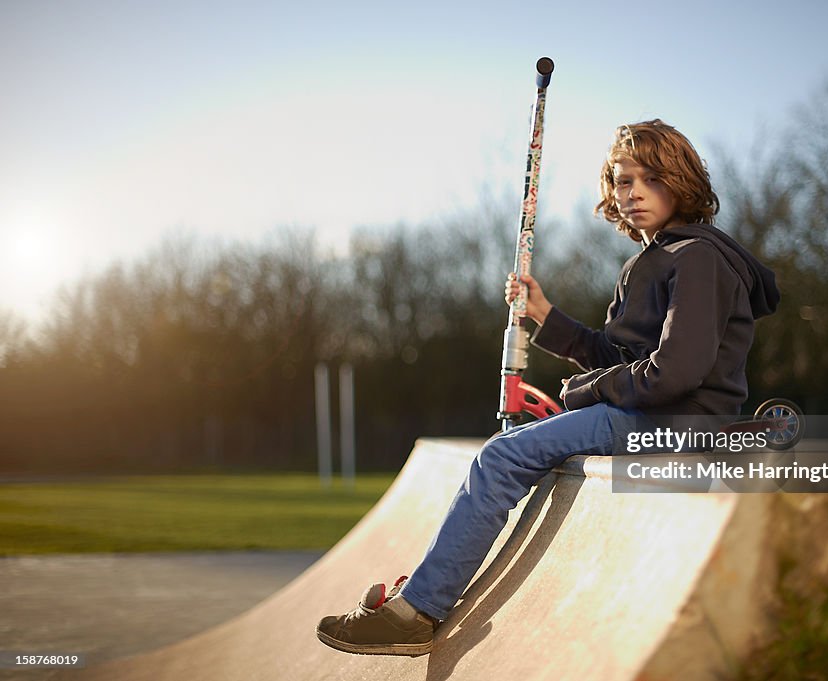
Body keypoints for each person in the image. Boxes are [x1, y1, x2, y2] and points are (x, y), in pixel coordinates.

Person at [315, 119, 780, 656]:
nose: (631, 193)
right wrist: (544, 314)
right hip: (651, 412)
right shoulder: (648, 263)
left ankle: (417, 613)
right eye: (621, 181)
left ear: (680, 181)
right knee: (514, 447)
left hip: (678, 421)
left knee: (503, 456)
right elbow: (617, 355)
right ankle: (423, 590)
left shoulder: (697, 258)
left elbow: (676, 372)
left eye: (648, 179)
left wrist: (589, 391)